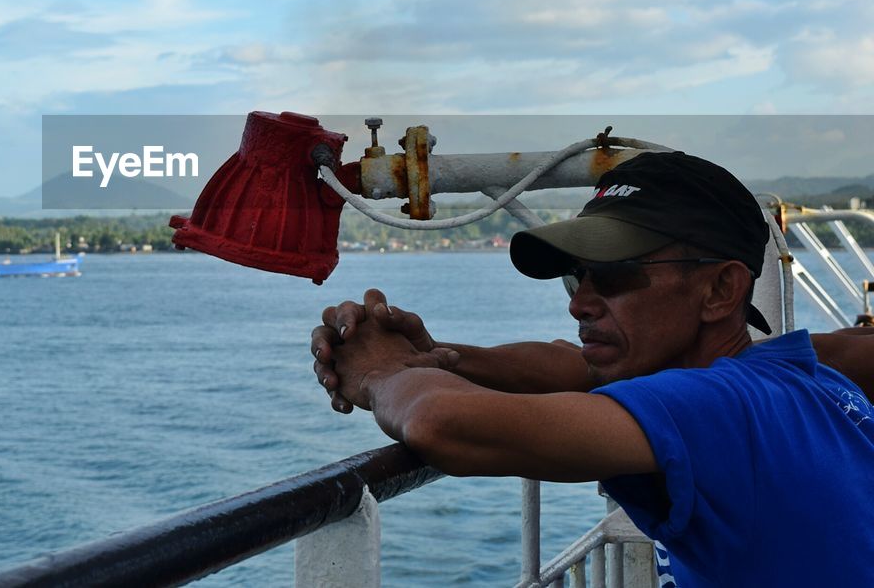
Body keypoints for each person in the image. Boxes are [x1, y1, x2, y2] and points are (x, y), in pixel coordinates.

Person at [312, 151, 874, 585]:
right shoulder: (794, 378)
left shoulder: (721, 406)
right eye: (580, 277)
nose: (579, 302)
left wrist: (380, 374)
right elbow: (570, 366)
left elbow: (444, 423)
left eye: (615, 275)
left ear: (721, 289)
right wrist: (427, 357)